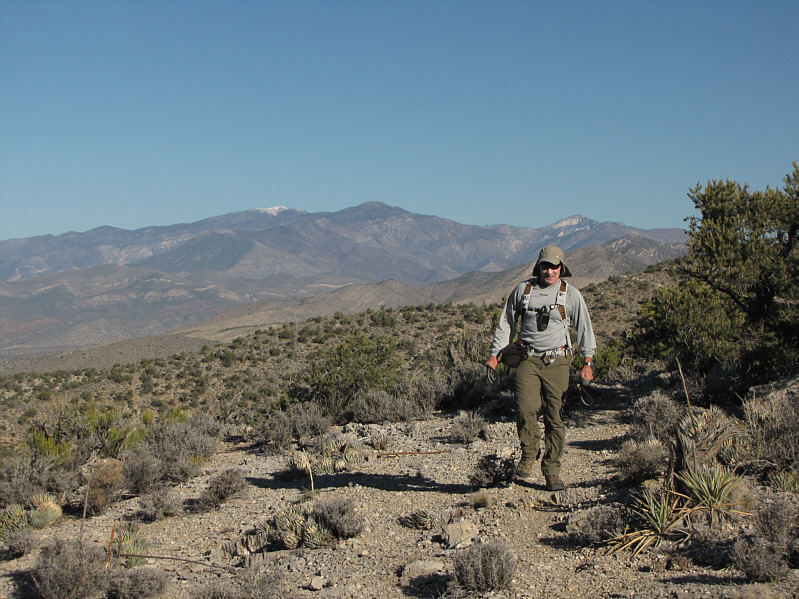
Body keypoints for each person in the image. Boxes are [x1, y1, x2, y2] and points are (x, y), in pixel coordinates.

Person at [485, 245, 596, 491]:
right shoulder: (524, 291)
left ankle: (552, 470)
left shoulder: (571, 294)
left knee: (555, 414)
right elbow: (506, 323)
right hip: (528, 358)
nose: (550, 271)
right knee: (525, 408)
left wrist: (588, 362)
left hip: (558, 360)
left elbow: (584, 328)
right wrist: (495, 354)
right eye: (546, 266)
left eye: (555, 267)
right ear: (539, 266)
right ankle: (529, 452)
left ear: (561, 268)